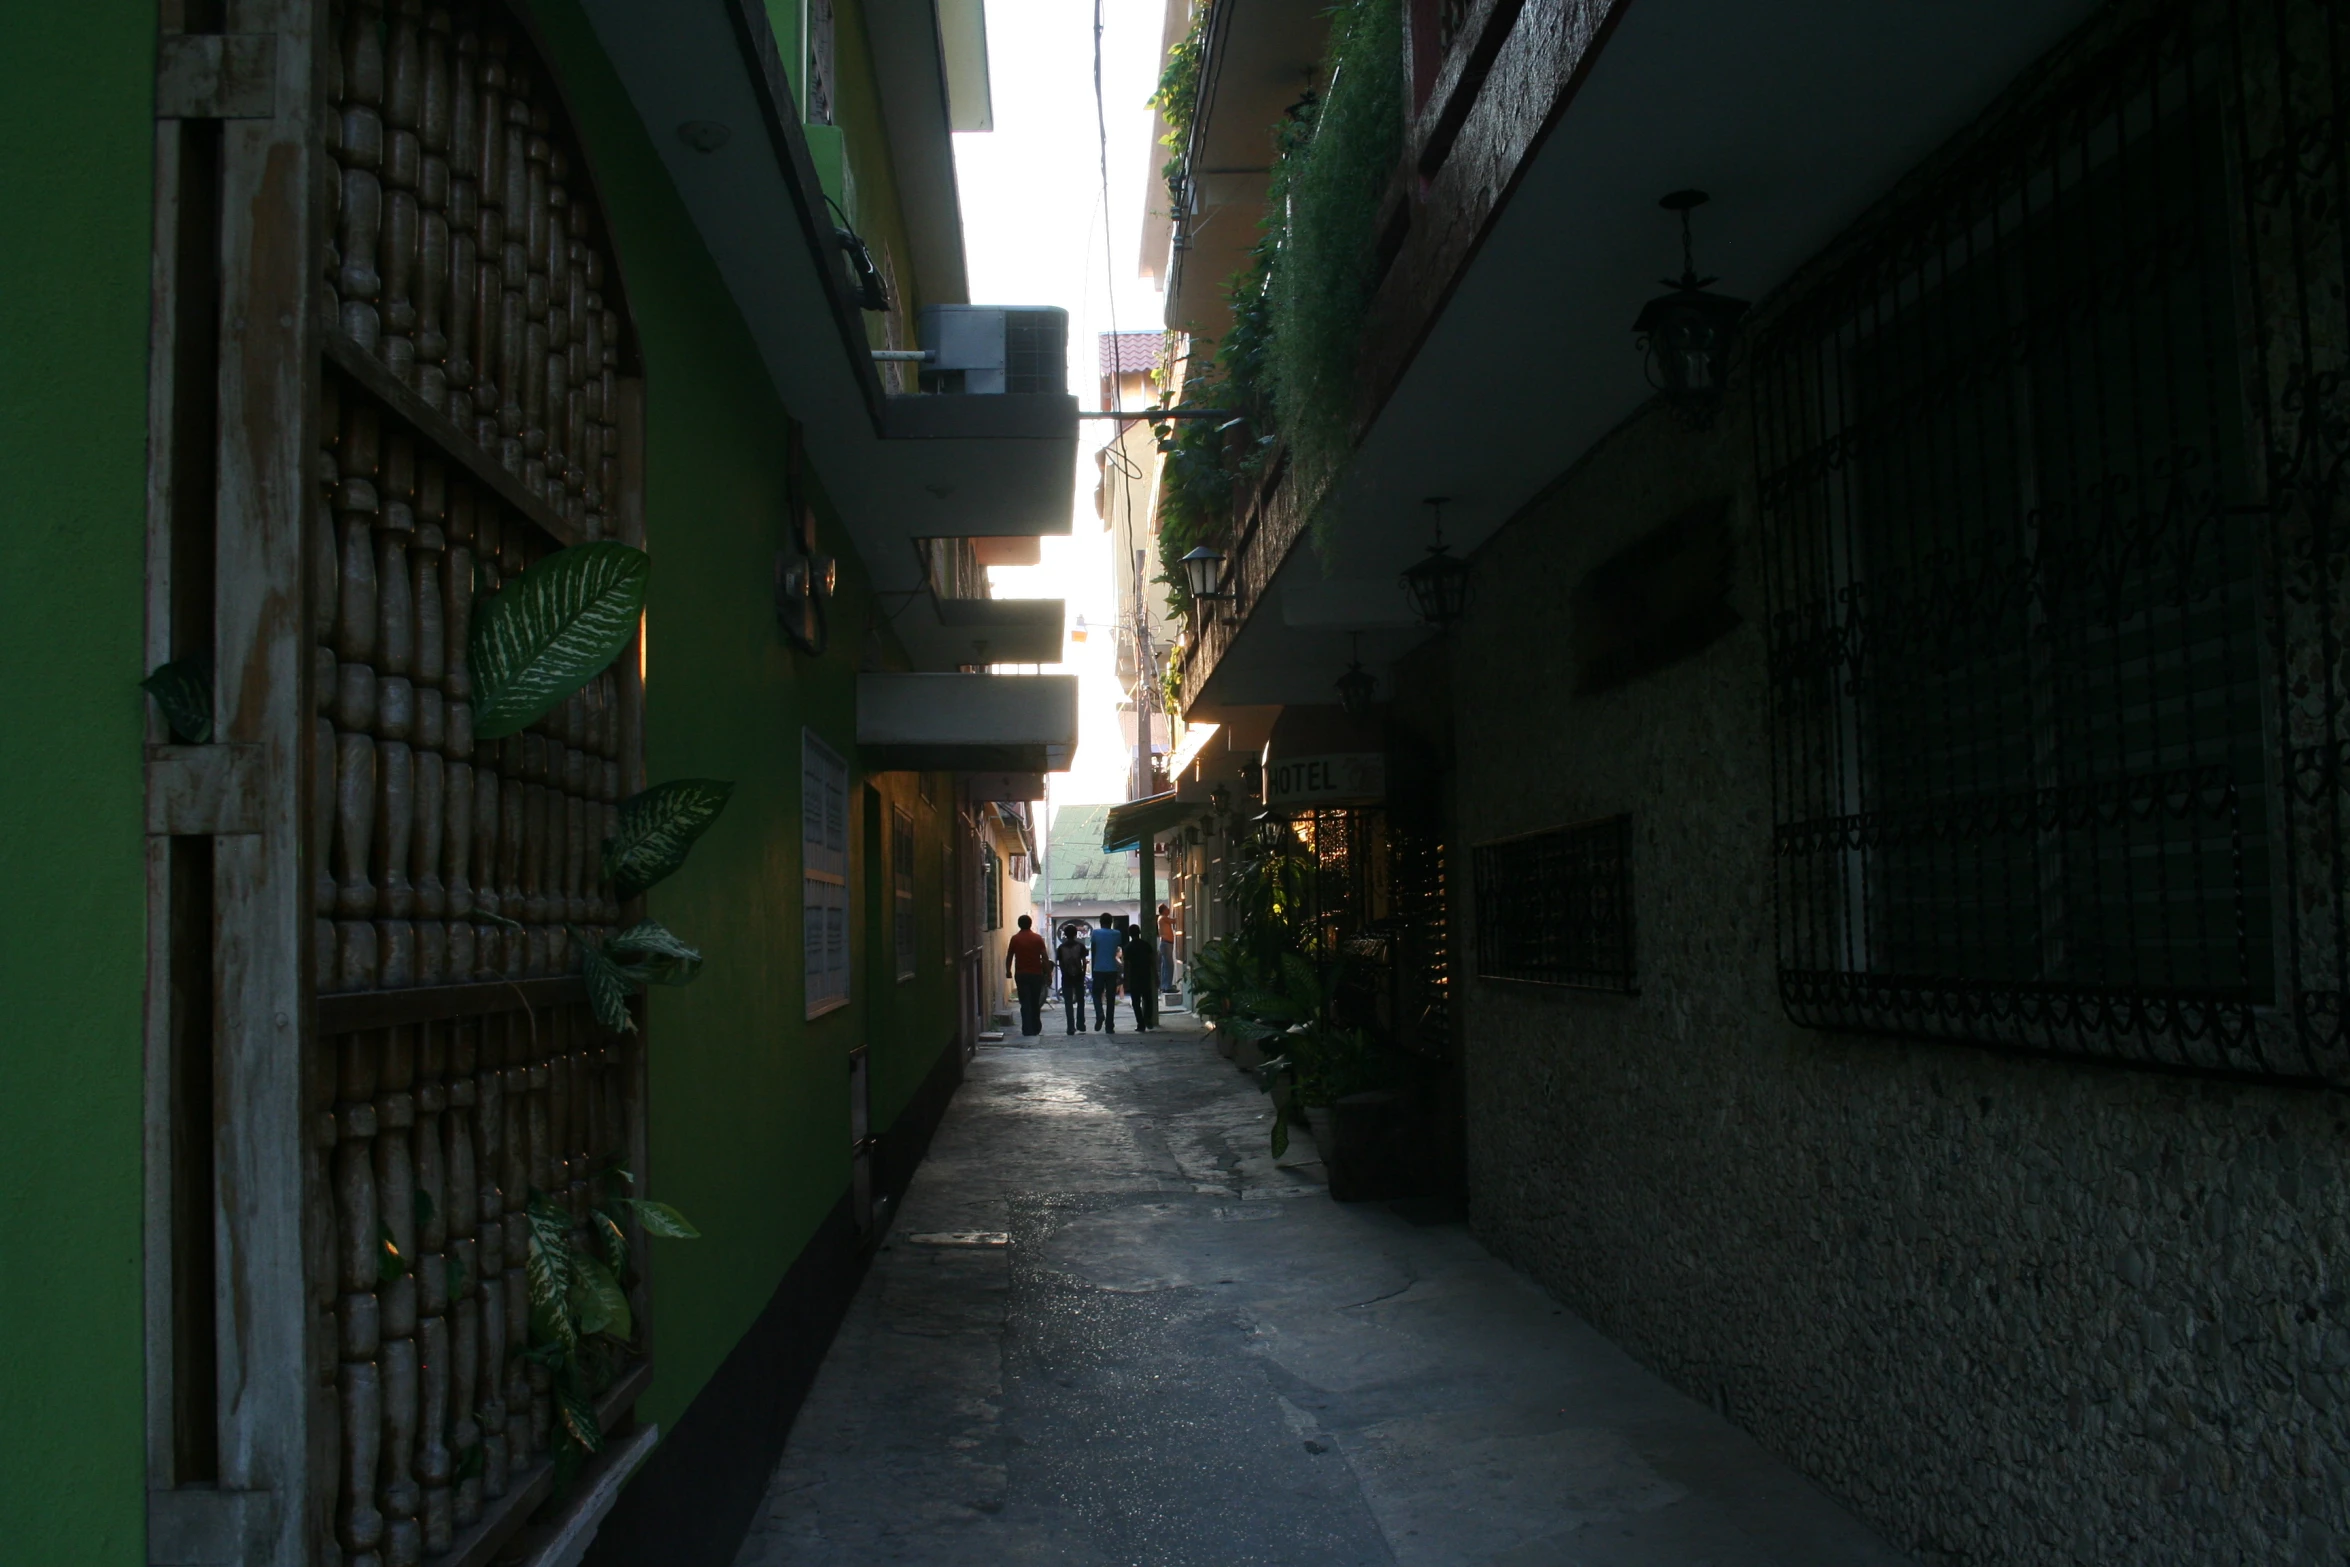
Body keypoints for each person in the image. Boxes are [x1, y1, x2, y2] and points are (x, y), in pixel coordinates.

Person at [1004, 914, 1050, 1037]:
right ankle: (1036, 1026)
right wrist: (1049, 974)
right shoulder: (1037, 939)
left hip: (1021, 974)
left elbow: (1009, 956)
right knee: (1035, 1002)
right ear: (1030, 924)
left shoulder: (1015, 939)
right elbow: (1045, 958)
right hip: (1036, 975)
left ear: (1019, 924)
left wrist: (1008, 970)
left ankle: (1027, 1028)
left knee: (1025, 1003)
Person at [1120, 914, 1156, 1031]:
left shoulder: (1128, 947)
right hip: (1146, 975)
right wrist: (1155, 975)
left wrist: (1125, 979)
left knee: (1136, 1002)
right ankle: (1148, 1019)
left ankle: (1140, 1023)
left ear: (1130, 934)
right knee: (1148, 999)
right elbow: (1152, 961)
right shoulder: (1146, 945)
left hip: (1134, 977)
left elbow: (1126, 965)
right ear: (1139, 932)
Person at [1089, 913, 1124, 1032]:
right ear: (1111, 922)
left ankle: (1099, 1013)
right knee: (1110, 998)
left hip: (1098, 969)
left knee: (1096, 994)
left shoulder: (1095, 933)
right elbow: (1117, 948)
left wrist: (1093, 968)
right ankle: (1109, 1025)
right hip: (1112, 969)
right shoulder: (1117, 934)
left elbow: (1093, 952)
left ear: (1100, 922)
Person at [1055, 923, 1089, 1036]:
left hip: (1066, 977)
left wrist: (1064, 973)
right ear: (1075, 934)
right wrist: (1083, 973)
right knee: (1080, 1001)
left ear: (1065, 935)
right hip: (1078, 976)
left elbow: (1060, 963)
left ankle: (1070, 1027)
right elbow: (1084, 962)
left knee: (1068, 1002)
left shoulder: (1061, 948)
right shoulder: (1080, 946)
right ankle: (1081, 1024)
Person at [1157, 902, 1176, 995]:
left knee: (1165, 966)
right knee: (1169, 965)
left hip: (1165, 943)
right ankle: (1168, 986)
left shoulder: (1161, 918)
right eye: (1167, 908)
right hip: (1166, 943)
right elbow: (1174, 921)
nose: (1168, 910)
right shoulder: (1163, 918)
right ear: (1163, 910)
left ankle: (1164, 986)